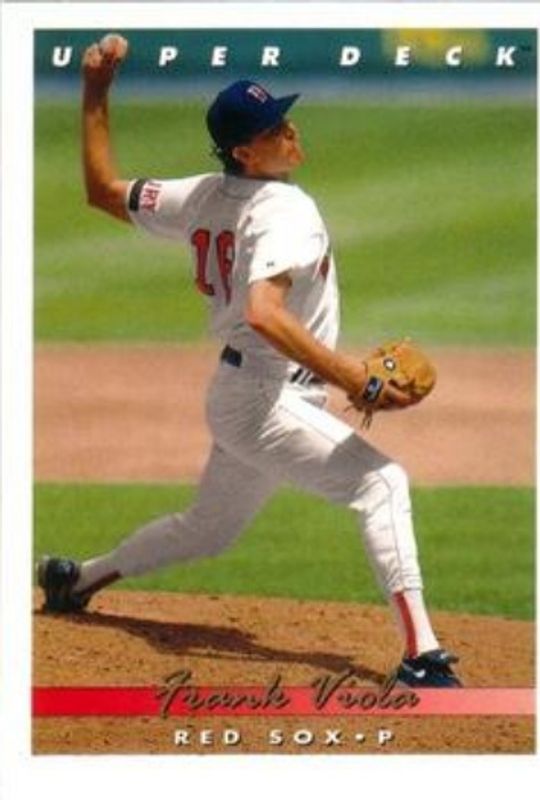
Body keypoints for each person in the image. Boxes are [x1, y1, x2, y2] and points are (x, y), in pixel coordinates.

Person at [38, 34, 462, 688]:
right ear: (245, 151)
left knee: (207, 530)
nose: (290, 131)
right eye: (273, 128)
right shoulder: (286, 210)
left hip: (243, 395)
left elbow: (101, 191)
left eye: (285, 118)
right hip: (267, 397)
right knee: (382, 484)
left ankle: (76, 580)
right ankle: (421, 656)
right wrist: (351, 375)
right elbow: (265, 313)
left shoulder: (201, 195)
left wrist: (95, 91)